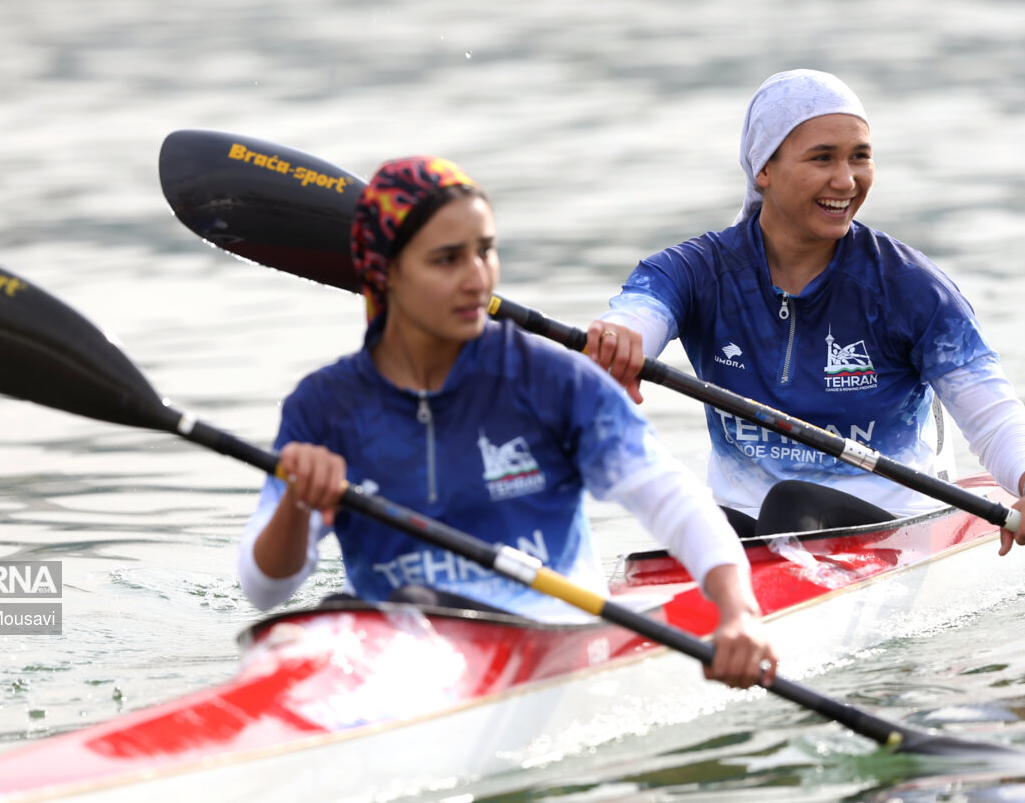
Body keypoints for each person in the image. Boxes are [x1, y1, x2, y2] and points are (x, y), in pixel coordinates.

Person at [237, 155, 776, 688]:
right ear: (386, 273)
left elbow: (674, 500)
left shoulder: (552, 382)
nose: (478, 280)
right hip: (387, 655)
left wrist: (738, 612)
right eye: (447, 260)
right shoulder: (324, 405)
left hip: (548, 644)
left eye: (485, 252)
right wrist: (296, 503)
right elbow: (263, 591)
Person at [585, 68, 1025, 555]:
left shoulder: (908, 287)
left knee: (792, 501)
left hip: (895, 529)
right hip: (748, 529)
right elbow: (636, 315)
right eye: (823, 159)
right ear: (764, 169)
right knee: (684, 512)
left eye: (860, 157)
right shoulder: (695, 272)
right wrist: (616, 342)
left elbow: (991, 412)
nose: (846, 180)